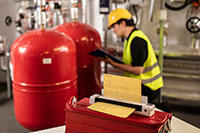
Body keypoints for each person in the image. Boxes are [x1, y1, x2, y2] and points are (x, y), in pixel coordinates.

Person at [104, 8, 163, 104]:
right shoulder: (131, 38)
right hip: (143, 85)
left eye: (114, 27)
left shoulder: (136, 40)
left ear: (122, 23)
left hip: (148, 88)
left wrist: (114, 64)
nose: (114, 31)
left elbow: (138, 70)